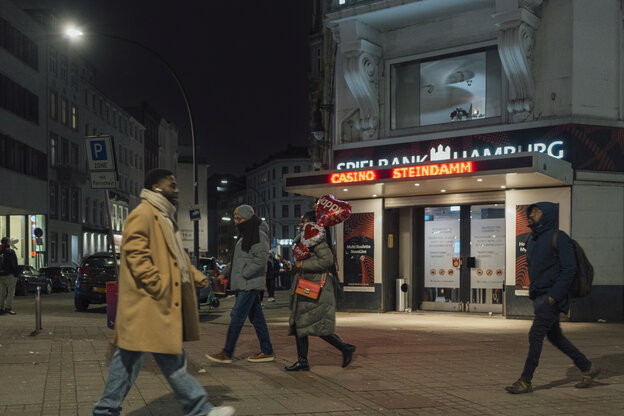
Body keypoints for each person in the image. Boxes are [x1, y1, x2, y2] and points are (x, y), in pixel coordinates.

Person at [93, 169, 235, 416]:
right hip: (148, 302)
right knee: (170, 359)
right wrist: (158, 285)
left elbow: (176, 259)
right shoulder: (143, 215)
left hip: (151, 304)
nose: (177, 189)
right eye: (173, 185)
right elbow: (136, 256)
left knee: (130, 361)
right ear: (157, 188)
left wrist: (196, 275)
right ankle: (199, 409)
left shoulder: (164, 218)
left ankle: (105, 410)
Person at [505, 202, 599, 394]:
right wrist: (534, 293)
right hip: (540, 297)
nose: (531, 215)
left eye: (537, 212)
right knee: (556, 337)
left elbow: (569, 269)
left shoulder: (559, 237)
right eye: (531, 212)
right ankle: (587, 367)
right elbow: (534, 268)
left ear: (547, 215)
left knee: (535, 334)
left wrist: (554, 297)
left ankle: (525, 380)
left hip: (551, 297)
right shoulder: (532, 239)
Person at [285, 211, 356, 371]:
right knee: (300, 326)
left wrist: (302, 265)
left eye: (303, 221)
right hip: (305, 287)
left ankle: (345, 348)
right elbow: (303, 264)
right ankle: (302, 361)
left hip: (315, 289)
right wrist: (291, 267)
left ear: (312, 223)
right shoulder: (304, 242)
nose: (300, 224)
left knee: (316, 326)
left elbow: (327, 260)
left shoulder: (316, 240)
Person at [206, 204, 274, 364]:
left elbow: (260, 261)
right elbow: (236, 261)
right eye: (235, 219)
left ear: (248, 218)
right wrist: (224, 273)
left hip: (249, 283)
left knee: (236, 315)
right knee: (257, 319)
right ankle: (267, 351)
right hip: (244, 283)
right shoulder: (246, 235)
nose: (236, 222)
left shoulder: (258, 234)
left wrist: (243, 274)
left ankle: (227, 352)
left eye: (239, 218)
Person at [0, 237, 18, 315]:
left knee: (1, 292)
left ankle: (1, 308)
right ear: (8, 243)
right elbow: (14, 263)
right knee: (10, 292)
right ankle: (8, 307)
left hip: (1, 275)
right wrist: (16, 273)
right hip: (10, 274)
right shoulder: (10, 251)